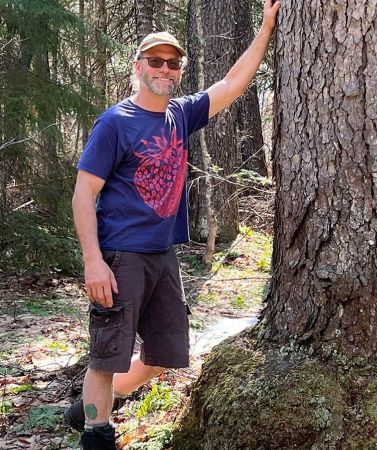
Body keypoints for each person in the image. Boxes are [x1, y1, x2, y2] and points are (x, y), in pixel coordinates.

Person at [63, 1, 280, 448]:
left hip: (163, 256)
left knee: (165, 354)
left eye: (173, 63)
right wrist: (93, 261)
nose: (165, 68)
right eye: (156, 61)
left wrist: (266, 27)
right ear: (138, 66)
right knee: (107, 357)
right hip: (120, 257)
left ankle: (88, 407)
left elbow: (232, 84)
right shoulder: (115, 123)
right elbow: (84, 193)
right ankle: (96, 433)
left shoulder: (180, 114)